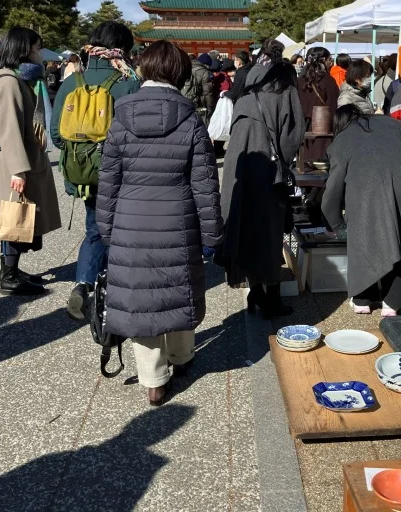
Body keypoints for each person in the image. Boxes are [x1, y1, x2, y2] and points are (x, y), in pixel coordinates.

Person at [96, 40, 223, 405]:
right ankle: (182, 357)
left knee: (142, 299)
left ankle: (153, 380)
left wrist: (107, 229)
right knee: (178, 289)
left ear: (143, 70)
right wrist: (213, 232)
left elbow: (109, 181)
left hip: (130, 221)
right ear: (181, 74)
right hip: (177, 219)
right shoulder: (191, 120)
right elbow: (204, 185)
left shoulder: (121, 117)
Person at [51, 21, 140, 321]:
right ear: (122, 50)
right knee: (121, 230)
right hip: (122, 173)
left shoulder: (70, 83)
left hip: (85, 173)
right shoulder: (128, 82)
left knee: (94, 228)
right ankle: (116, 290)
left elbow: (55, 135)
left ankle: (83, 284)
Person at [220, 39, 305, 319]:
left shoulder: (247, 87)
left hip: (240, 162)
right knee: (270, 233)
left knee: (245, 227)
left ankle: (254, 289)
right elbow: (292, 136)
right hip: (268, 168)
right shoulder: (284, 86)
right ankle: (271, 298)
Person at [322, 106, 401, 316]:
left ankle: (363, 299)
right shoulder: (395, 125)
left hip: (364, 190)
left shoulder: (343, 138)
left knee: (363, 237)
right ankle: (393, 302)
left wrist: (333, 221)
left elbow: (333, 186)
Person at [0, 27, 62, 294]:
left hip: (19, 162)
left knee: (19, 217)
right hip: (14, 164)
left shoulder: (15, 79)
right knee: (14, 216)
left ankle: (13, 270)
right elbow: (8, 129)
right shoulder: (8, 82)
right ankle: (8, 275)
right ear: (24, 49)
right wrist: (19, 170)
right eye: (36, 48)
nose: (39, 53)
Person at [297, 47, 339, 161]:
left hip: (302, 131)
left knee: (304, 166)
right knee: (320, 169)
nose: (331, 62)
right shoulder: (328, 81)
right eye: (330, 59)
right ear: (324, 59)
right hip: (323, 132)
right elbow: (333, 108)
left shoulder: (300, 81)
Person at [182, 53, 215, 121]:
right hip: (198, 105)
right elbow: (208, 92)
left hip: (182, 102)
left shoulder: (183, 68)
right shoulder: (204, 72)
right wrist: (210, 108)